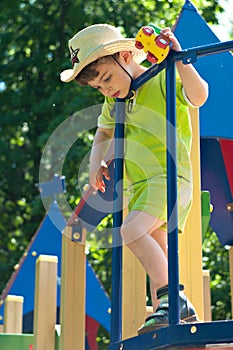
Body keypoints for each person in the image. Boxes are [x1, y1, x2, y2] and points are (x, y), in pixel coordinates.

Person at [60, 23, 208, 334]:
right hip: (141, 185)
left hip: (169, 176)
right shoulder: (115, 101)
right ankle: (176, 310)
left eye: (107, 79)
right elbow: (104, 130)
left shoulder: (159, 78)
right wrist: (95, 163)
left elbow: (198, 96)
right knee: (158, 247)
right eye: (98, 87)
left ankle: (172, 300)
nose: (106, 89)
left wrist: (179, 59)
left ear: (126, 55)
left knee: (129, 231)